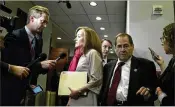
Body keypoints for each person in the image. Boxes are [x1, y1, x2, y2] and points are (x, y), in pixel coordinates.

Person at [1, 5, 56, 105]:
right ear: (32, 18)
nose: (45, 25)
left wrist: (46, 67)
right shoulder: (14, 36)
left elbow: (34, 64)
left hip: (27, 91)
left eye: (46, 23)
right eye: (43, 21)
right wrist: (40, 64)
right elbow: (12, 66)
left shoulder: (39, 41)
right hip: (10, 91)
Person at [99, 33, 157, 106]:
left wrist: (148, 91)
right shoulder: (107, 67)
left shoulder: (146, 65)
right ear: (115, 48)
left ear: (132, 47)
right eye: (119, 46)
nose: (122, 49)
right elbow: (103, 89)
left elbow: (154, 88)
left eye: (126, 46)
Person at [66, 26, 103, 106]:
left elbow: (96, 79)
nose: (75, 39)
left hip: (86, 97)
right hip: (78, 96)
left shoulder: (93, 53)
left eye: (79, 36)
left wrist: (79, 91)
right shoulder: (83, 56)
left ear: (88, 39)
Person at [153, 23, 174, 106]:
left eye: (164, 38)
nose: (162, 43)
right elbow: (169, 79)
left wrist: (160, 94)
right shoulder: (173, 60)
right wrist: (161, 64)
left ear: (172, 39)